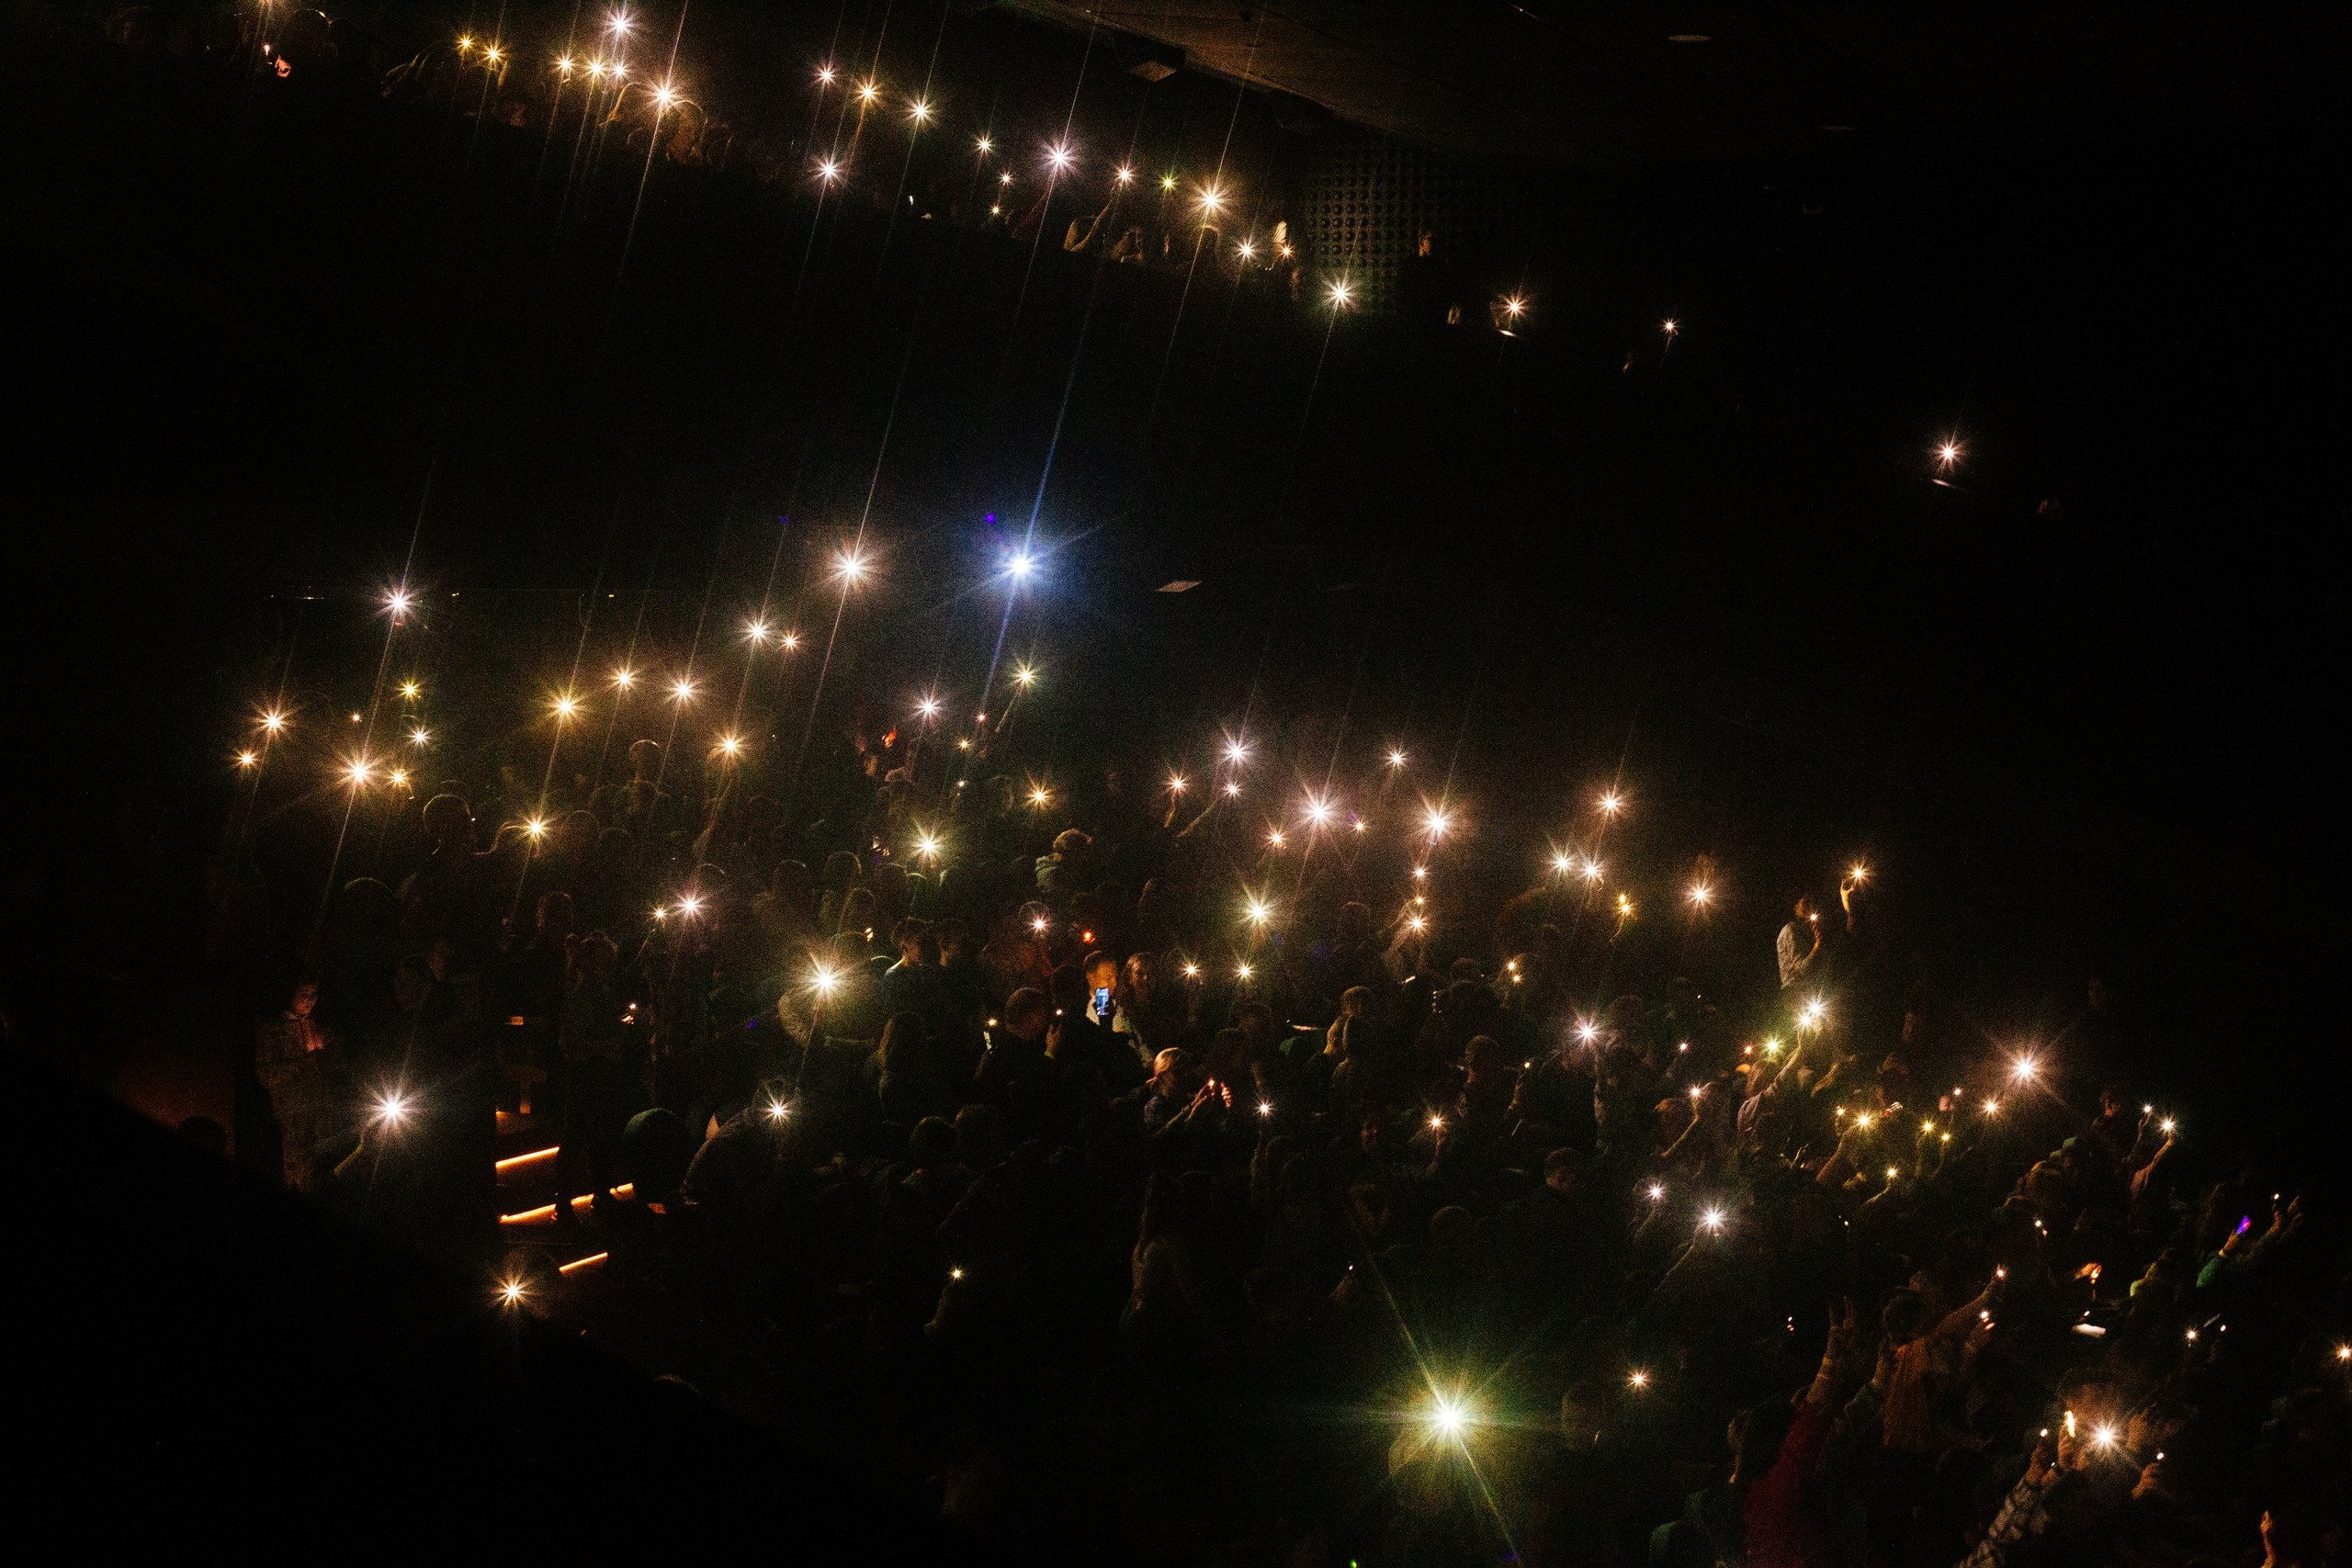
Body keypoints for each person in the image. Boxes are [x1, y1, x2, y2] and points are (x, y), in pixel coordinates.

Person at [254, 976, 338, 1194]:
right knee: (300, 1173)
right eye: (304, 995)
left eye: (314, 995)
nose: (310, 1001)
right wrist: (305, 1064)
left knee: (324, 1170)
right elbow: (267, 1073)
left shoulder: (316, 1025)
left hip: (322, 1111)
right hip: (293, 1114)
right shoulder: (274, 1030)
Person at [1776, 894, 1823, 989]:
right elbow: (1802, 970)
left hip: (1810, 989)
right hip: (1795, 991)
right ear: (1795, 907)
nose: (1810, 907)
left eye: (1812, 903)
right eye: (1805, 903)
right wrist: (1817, 946)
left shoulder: (1808, 930)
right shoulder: (1790, 930)